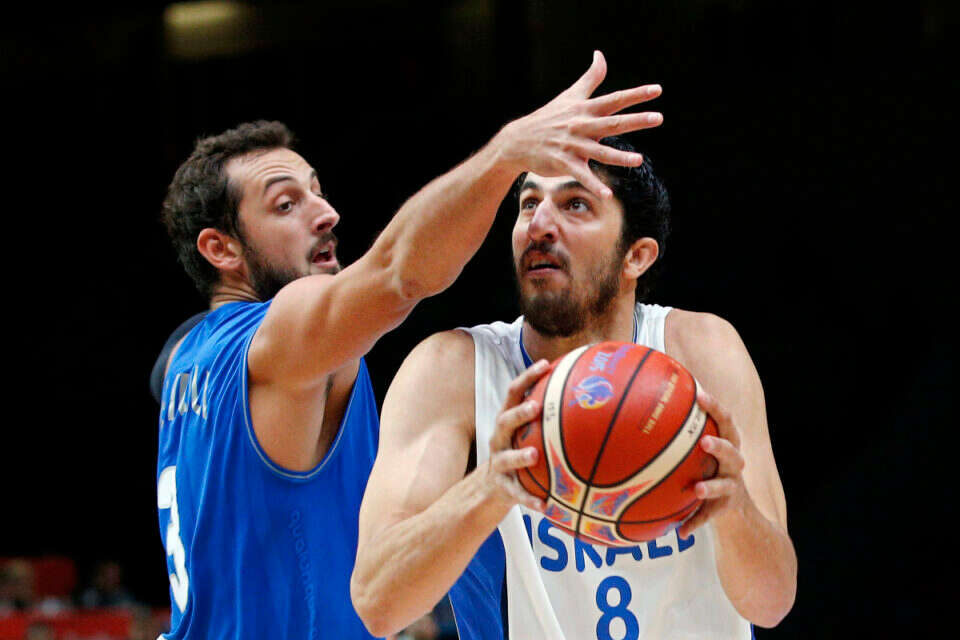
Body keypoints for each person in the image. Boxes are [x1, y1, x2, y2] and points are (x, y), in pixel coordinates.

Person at [155, 51, 663, 639]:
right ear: (221, 250)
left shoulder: (187, 359)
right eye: (286, 204)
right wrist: (507, 153)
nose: (326, 214)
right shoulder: (283, 335)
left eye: (317, 192)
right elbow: (399, 273)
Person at [352, 136, 798, 639]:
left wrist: (735, 509)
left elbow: (772, 601)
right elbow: (378, 604)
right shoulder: (452, 369)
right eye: (528, 204)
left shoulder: (702, 351)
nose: (539, 224)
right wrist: (490, 487)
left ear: (636, 256)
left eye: (575, 204)